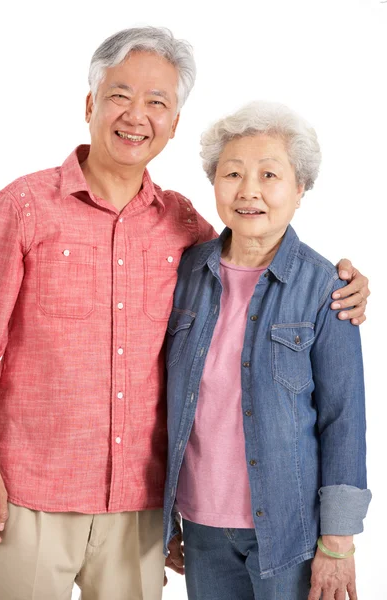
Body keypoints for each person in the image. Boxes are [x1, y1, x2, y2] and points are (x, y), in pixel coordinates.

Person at [0, 27, 368, 600]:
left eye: (158, 102)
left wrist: (345, 283)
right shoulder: (24, 207)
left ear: (175, 123)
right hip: (28, 494)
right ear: (90, 103)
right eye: (119, 95)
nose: (136, 115)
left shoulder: (182, 225)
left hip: (142, 512)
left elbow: (258, 258)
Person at [163, 101, 371, 600]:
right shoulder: (187, 273)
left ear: (300, 189)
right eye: (232, 173)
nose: (248, 190)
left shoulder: (328, 289)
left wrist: (338, 541)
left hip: (289, 531)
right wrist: (165, 513)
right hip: (202, 527)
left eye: (269, 174)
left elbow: (344, 419)